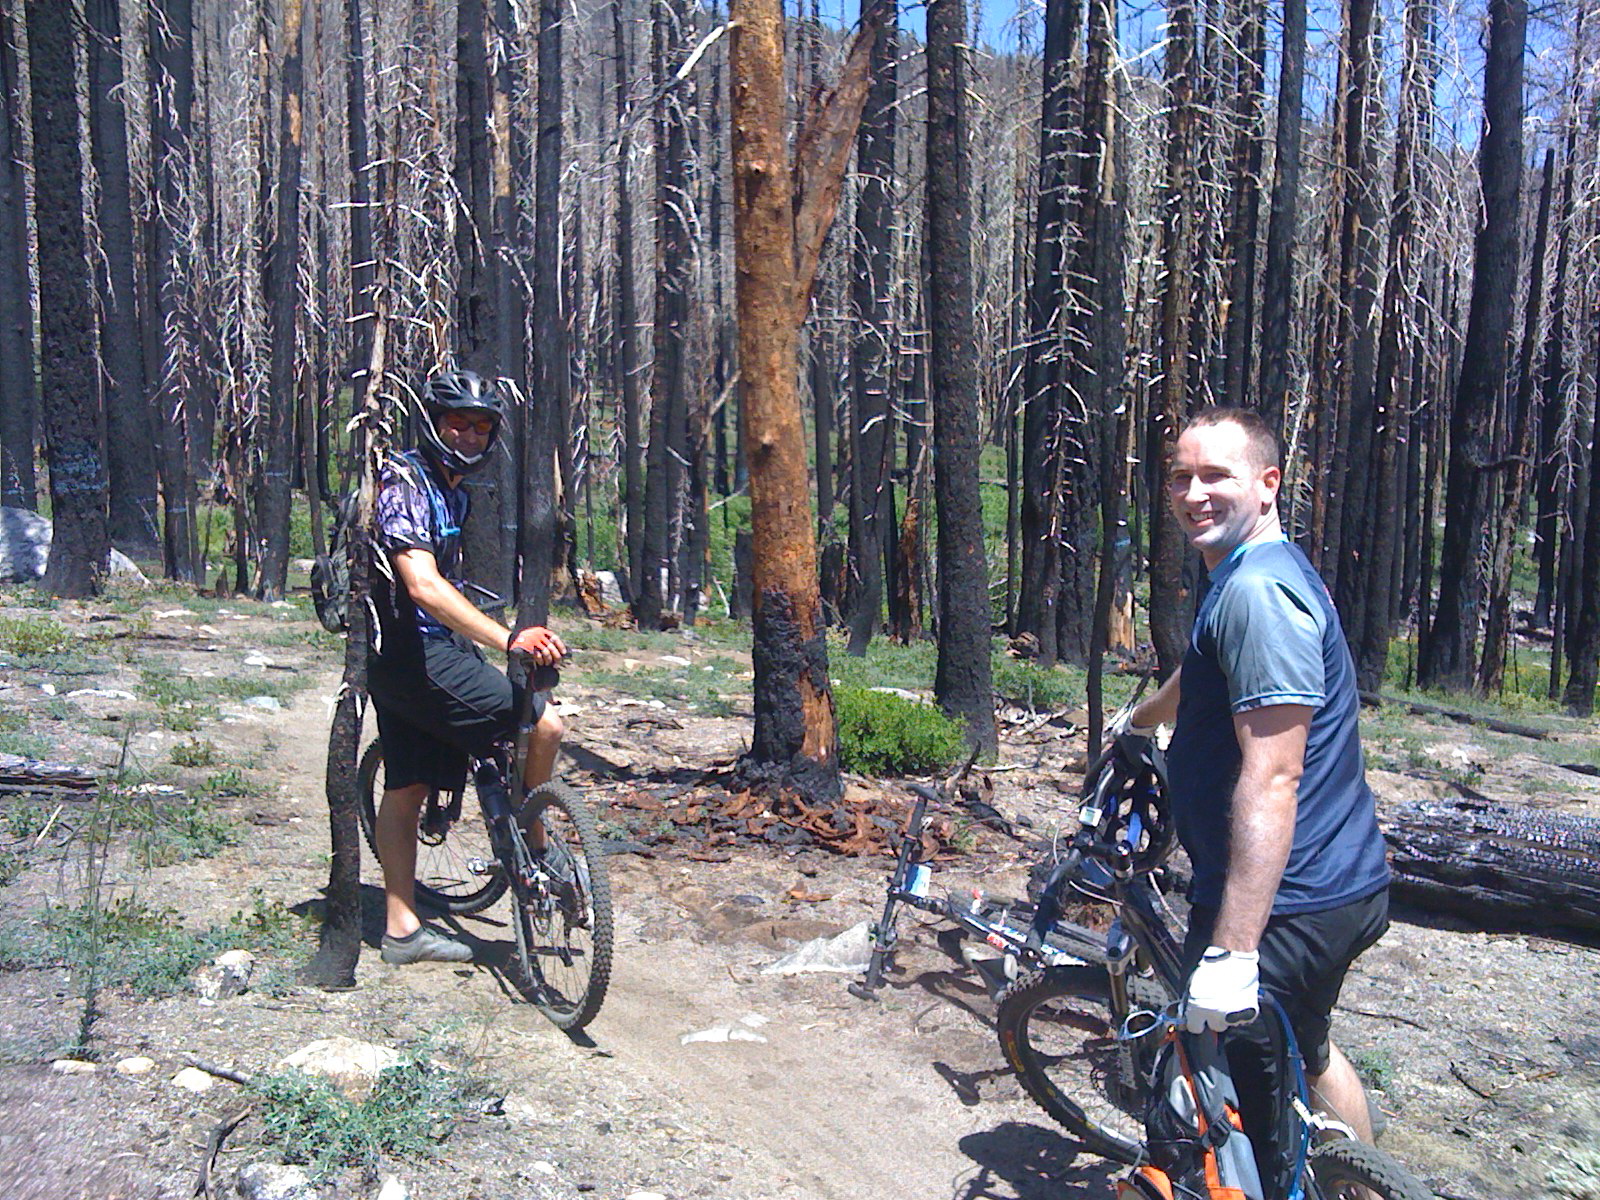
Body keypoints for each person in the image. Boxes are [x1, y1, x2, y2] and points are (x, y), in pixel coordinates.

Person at [1118, 406, 1391, 1175]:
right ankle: (1364, 1185)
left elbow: (1273, 776)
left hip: (1285, 906)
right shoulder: (1250, 571)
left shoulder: (1257, 595)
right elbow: (1207, 666)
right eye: (1181, 476)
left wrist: (1235, 951)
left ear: (1268, 483)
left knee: (1245, 1106)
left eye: (1216, 476)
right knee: (1311, 1050)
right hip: (1340, 882)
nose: (1193, 493)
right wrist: (1144, 719)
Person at [366, 369, 568, 966]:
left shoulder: (452, 487)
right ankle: (537, 847)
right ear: (432, 422)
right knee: (545, 725)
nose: (471, 435)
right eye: (458, 422)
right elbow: (423, 585)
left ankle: (403, 932)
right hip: (412, 651)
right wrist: (509, 640)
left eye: (482, 426)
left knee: (407, 784)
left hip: (406, 653)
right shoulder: (404, 481)